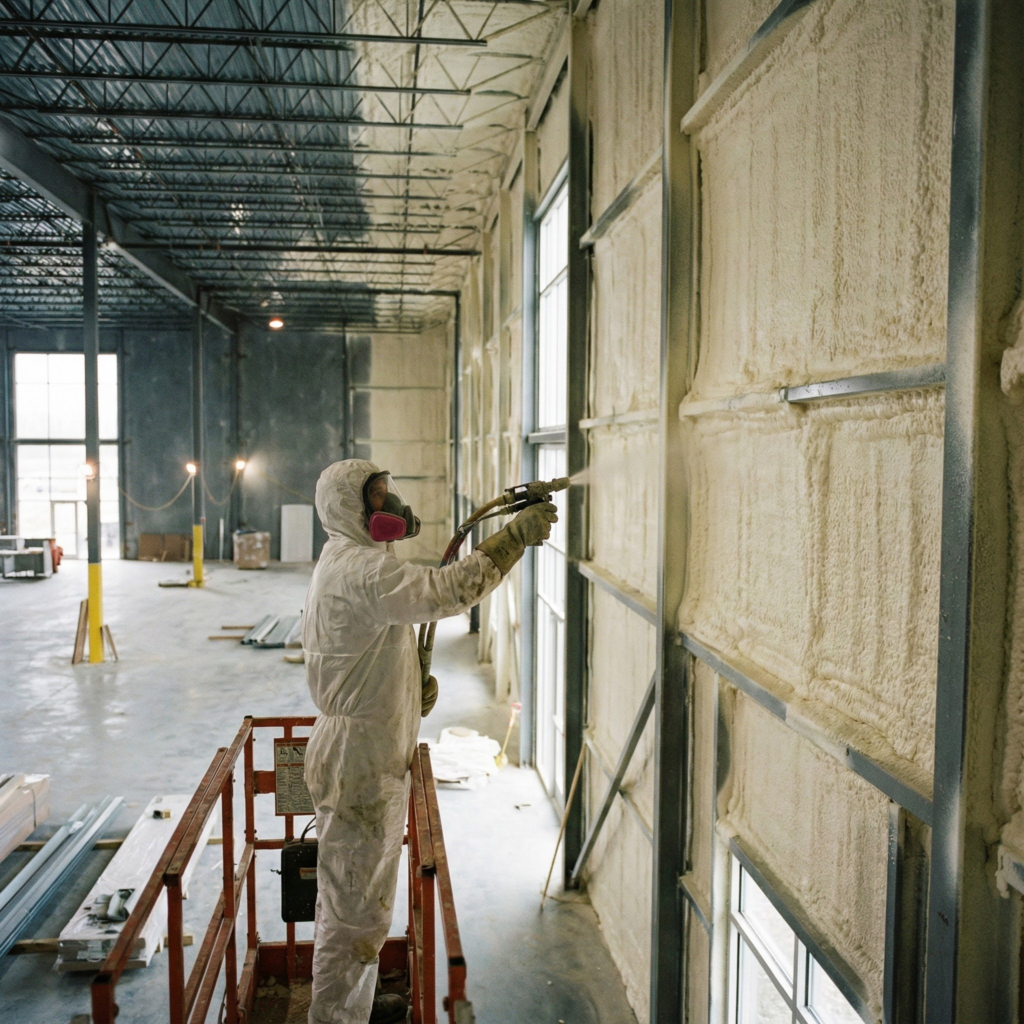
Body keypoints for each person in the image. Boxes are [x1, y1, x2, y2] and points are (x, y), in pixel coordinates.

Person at [302, 459, 557, 1024]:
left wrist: (405, 680)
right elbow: (448, 590)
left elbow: (370, 641)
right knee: (353, 920)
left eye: (391, 494)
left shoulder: (354, 560)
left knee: (358, 909)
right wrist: (514, 537)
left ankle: (352, 1006)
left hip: (363, 750)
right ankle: (335, 1018)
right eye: (379, 498)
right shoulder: (361, 571)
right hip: (359, 762)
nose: (393, 507)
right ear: (351, 509)